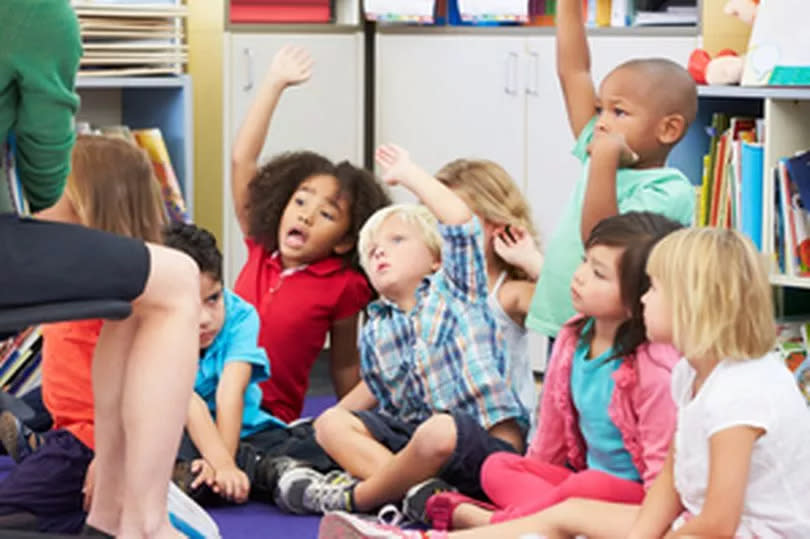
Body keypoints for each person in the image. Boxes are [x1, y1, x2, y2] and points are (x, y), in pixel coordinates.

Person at [321, 227, 810, 539]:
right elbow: (671, 480)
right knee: (568, 514)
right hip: (694, 527)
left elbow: (720, 524)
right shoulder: (694, 373)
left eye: (654, 289)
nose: (643, 300)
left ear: (694, 304)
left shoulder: (740, 392)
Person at [1, 3, 200, 536]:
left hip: (75, 441)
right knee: (175, 281)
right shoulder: (32, 12)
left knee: (137, 297)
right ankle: (141, 520)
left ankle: (112, 513)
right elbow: (45, 177)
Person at [274, 145, 528, 517]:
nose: (379, 252)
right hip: (419, 451)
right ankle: (422, 497)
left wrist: (410, 175)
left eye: (396, 241)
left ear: (436, 258)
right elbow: (380, 402)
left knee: (440, 430)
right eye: (371, 249)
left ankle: (358, 498)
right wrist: (310, 431)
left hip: (483, 445)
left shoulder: (457, 290)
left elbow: (459, 221)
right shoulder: (376, 327)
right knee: (331, 423)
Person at [0, 135, 185, 536]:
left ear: (87, 209)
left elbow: (139, 393)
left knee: (10, 510)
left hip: (83, 444)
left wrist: (107, 455)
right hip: (68, 427)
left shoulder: (126, 300)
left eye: (51, 193)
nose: (34, 204)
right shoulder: (80, 283)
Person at [231, 45, 390, 423]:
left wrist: (354, 423)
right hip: (213, 400)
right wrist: (273, 84)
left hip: (270, 416)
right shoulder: (260, 248)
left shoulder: (344, 285)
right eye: (301, 201)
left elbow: (345, 363)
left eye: (326, 214)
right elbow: (243, 160)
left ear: (344, 241)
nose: (306, 216)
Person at [524, 0, 697, 344]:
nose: (601, 122)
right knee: (560, 396)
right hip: (566, 318)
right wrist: (569, 8)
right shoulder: (603, 145)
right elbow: (574, 72)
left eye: (618, 112)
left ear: (668, 130)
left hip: (614, 330)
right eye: (601, 108)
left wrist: (602, 159)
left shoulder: (669, 189)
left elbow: (601, 241)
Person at [163, 222, 335, 505]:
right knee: (165, 453)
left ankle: (261, 468)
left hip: (246, 430)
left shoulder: (241, 315)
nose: (205, 319)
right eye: (191, 305)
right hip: (182, 433)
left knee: (313, 444)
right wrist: (220, 462)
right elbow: (187, 401)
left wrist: (224, 463)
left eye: (213, 299)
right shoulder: (155, 324)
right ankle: (265, 471)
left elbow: (231, 390)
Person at [435, 159, 543, 427]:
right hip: (440, 424)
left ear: (497, 224)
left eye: (454, 220)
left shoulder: (508, 294)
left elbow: (571, 310)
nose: (446, 231)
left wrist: (532, 262)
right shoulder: (430, 287)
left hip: (498, 429)